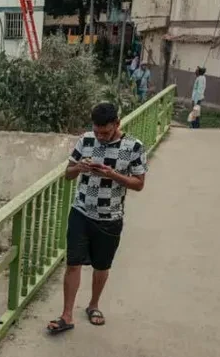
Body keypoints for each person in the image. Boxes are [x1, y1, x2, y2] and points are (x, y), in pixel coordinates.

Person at [47, 103, 147, 334]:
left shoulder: (133, 147)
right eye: (98, 131)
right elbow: (67, 174)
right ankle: (67, 315)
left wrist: (113, 175)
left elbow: (139, 184)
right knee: (73, 263)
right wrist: (79, 168)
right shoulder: (86, 140)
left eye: (106, 132)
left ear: (117, 124)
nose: (101, 137)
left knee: (101, 267)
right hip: (81, 212)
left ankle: (93, 306)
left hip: (110, 217)